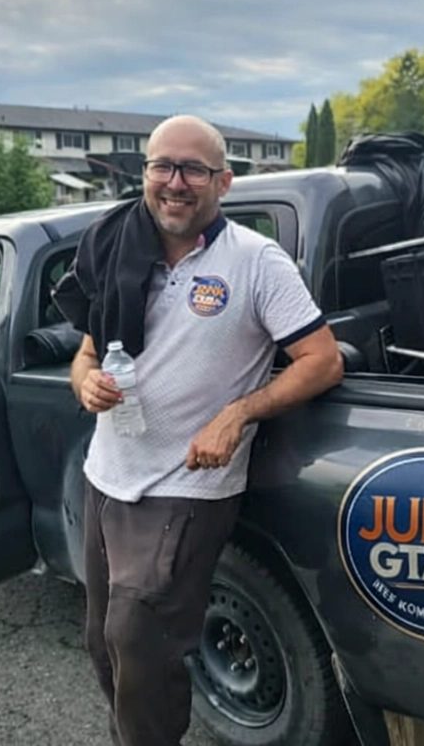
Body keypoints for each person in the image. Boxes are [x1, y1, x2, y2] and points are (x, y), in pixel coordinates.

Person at [51, 114, 343, 746]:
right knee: (105, 648)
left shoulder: (255, 261)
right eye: (162, 166)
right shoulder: (117, 248)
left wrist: (237, 413)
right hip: (109, 478)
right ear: (146, 173)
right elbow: (86, 354)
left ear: (224, 182)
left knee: (140, 643)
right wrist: (84, 382)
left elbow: (322, 360)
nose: (174, 183)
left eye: (193, 170)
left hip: (187, 486)